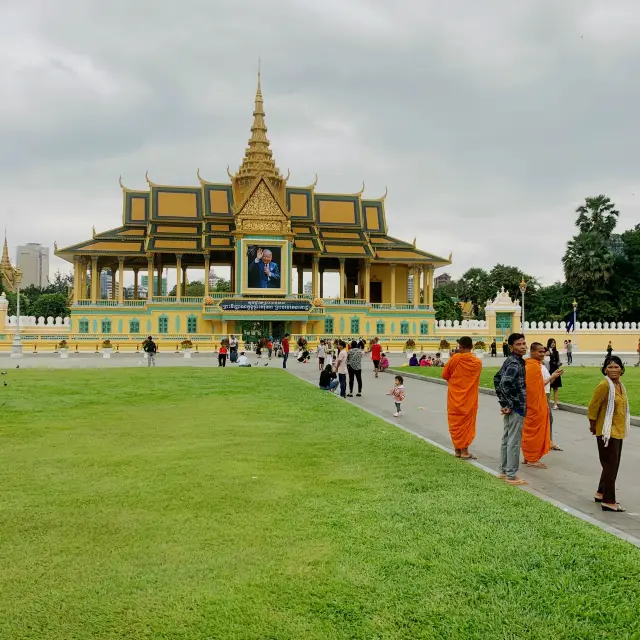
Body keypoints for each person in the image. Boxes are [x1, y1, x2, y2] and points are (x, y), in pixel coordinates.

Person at [588, 355, 631, 512]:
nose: (613, 370)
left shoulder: (620, 385)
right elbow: (593, 407)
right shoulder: (604, 385)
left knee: (610, 464)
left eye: (616, 367)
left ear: (622, 369)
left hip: (618, 431)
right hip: (606, 432)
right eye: (610, 367)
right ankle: (608, 500)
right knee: (611, 466)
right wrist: (593, 426)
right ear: (605, 369)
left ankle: (600, 493)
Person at [494, 332, 528, 486]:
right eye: (519, 344)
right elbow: (504, 383)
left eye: (523, 343)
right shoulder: (515, 363)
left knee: (507, 439)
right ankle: (511, 475)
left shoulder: (512, 360)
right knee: (514, 441)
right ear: (512, 346)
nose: (523, 346)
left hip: (512, 407)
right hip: (517, 407)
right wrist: (510, 404)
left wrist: (505, 404)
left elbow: (497, 379)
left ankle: (503, 471)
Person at [442, 336, 482, 459]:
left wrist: (455, 383)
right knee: (466, 424)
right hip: (469, 398)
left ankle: (457, 451)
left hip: (454, 396)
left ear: (460, 347)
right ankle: (464, 451)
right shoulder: (477, 362)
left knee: (455, 423)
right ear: (472, 347)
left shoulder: (455, 359)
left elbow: (445, 375)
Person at [521, 343, 561, 468]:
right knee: (533, 431)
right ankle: (531, 459)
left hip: (539, 400)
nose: (542, 354)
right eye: (539, 352)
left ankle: (529, 457)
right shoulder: (532, 366)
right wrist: (552, 376)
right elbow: (535, 386)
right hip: (533, 404)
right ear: (532, 352)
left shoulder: (536, 365)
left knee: (534, 430)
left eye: (543, 351)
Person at [546, 338, 562, 409]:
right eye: (552, 342)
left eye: (554, 342)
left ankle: (555, 404)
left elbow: (558, 362)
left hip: (556, 370)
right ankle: (547, 403)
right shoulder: (546, 351)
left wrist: (559, 368)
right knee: (548, 388)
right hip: (549, 371)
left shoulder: (556, 352)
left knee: (556, 388)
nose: (553, 344)